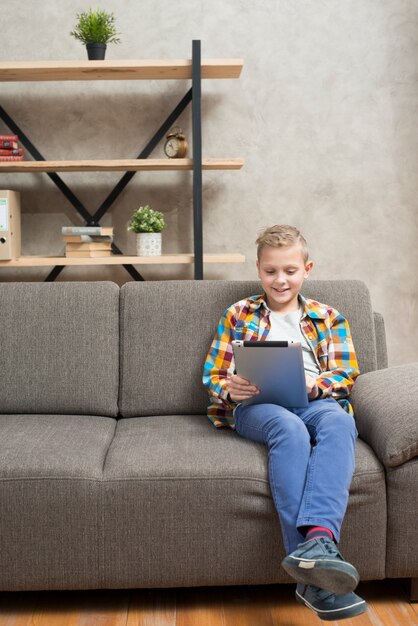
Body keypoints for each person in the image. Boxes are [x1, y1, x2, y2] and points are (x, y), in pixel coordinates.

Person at [202, 224, 367, 621]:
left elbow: (346, 373)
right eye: (271, 271)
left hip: (315, 400)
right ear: (259, 270)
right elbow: (213, 374)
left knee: (340, 423)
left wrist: (317, 385)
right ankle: (315, 573)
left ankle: (318, 542)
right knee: (289, 430)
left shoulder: (329, 317)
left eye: (290, 271)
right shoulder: (238, 313)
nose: (280, 280)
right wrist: (231, 388)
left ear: (307, 269)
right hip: (260, 407)